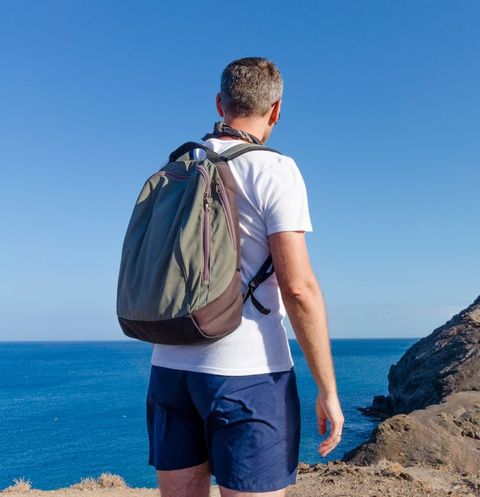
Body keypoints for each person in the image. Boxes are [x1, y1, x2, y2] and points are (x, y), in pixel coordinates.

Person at [145, 57, 344, 497]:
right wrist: (328, 390)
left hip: (169, 368)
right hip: (248, 373)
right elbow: (298, 288)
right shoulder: (275, 170)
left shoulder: (177, 166)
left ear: (220, 103)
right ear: (276, 110)